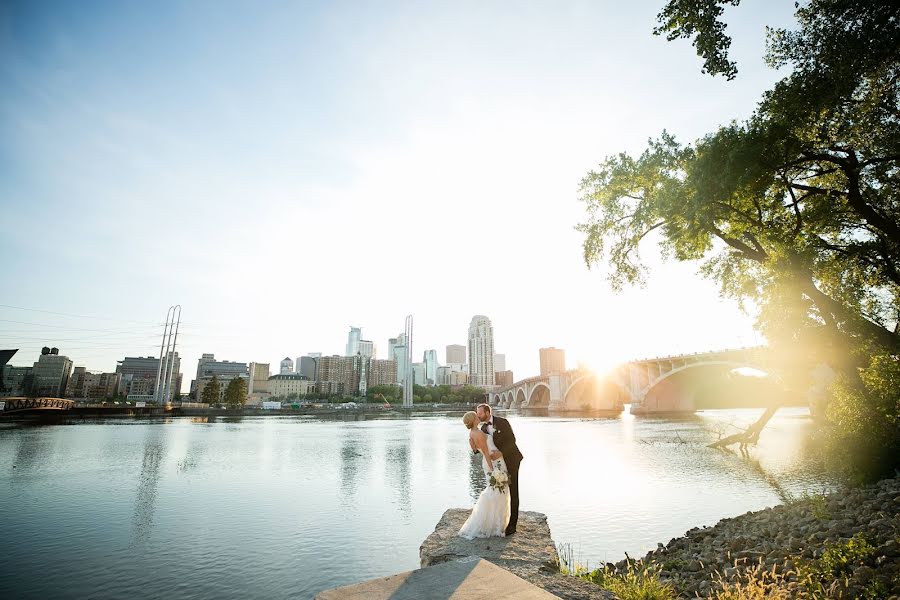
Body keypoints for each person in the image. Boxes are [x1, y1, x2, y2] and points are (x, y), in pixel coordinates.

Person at [458, 411, 510, 539]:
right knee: (498, 491)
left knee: (497, 491)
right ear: (474, 420)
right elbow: (486, 453)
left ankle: (497, 523)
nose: (478, 416)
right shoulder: (479, 433)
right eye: (476, 416)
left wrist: (475, 449)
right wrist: (493, 470)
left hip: (494, 462)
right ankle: (495, 525)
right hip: (494, 463)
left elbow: (477, 449)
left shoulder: (473, 433)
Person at [476, 403, 523, 535]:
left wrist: (502, 453)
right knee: (499, 492)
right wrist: (475, 449)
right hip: (498, 465)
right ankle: (499, 521)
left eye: (480, 413)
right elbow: (484, 447)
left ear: (487, 412)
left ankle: (512, 525)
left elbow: (512, 440)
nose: (478, 415)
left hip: (511, 460)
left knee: (513, 491)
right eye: (477, 413)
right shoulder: (483, 428)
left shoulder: (502, 422)